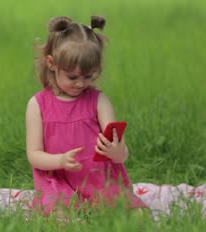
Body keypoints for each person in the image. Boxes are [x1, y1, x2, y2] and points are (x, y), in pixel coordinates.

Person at [25, 16, 146, 215]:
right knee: (60, 216)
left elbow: (121, 152)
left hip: (98, 180)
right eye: (72, 77)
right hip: (58, 182)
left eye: (88, 76)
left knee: (138, 214)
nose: (80, 84)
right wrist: (60, 161)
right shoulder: (37, 105)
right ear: (52, 63)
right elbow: (34, 155)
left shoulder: (99, 101)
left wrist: (117, 152)